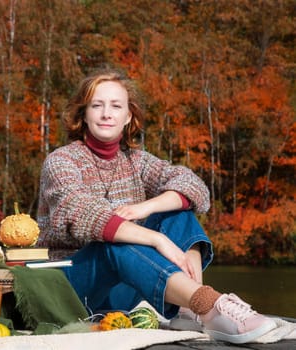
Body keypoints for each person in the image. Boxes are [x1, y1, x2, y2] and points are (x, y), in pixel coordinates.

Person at [36, 68, 276, 344]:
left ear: (128, 117)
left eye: (116, 106)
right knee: (112, 242)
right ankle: (209, 304)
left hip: (120, 291)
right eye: (97, 105)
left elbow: (194, 186)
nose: (106, 114)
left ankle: (191, 307)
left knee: (178, 210)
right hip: (70, 285)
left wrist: (145, 208)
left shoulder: (136, 161)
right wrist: (156, 238)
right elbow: (79, 212)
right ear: (83, 114)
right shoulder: (61, 161)